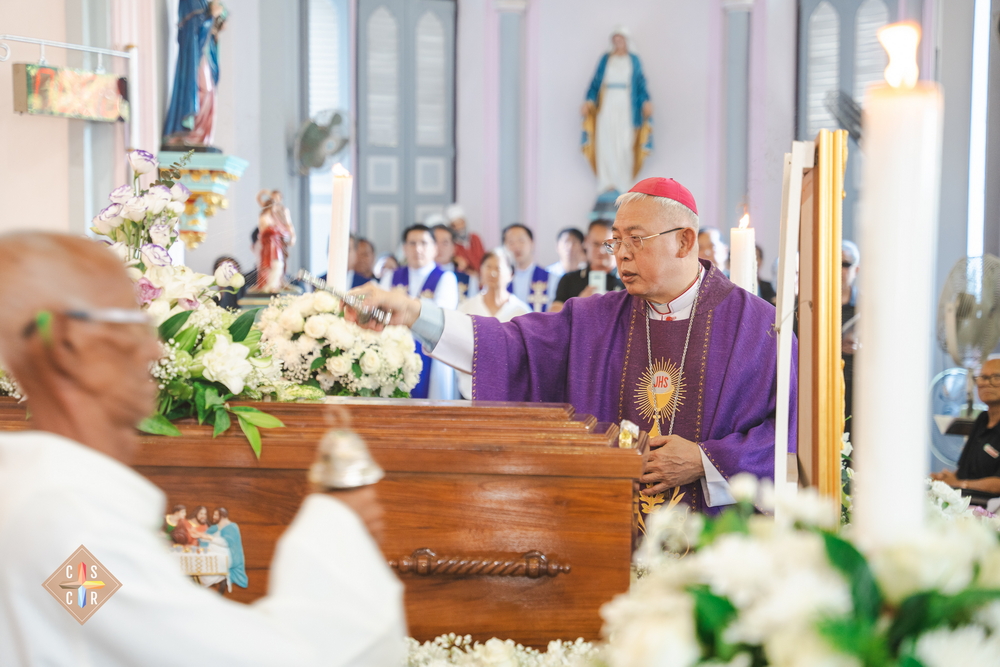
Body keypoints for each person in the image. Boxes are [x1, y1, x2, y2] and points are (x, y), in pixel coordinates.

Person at [0, 232, 406, 667]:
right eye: (131, 322)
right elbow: (238, 661)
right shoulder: (66, 527)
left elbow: (109, 629)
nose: (154, 348)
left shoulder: (39, 505)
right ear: (67, 343)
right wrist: (336, 530)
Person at [346, 178, 796, 528]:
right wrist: (413, 313)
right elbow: (506, 345)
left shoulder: (759, 328)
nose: (620, 255)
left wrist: (704, 460)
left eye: (635, 239)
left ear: (683, 241)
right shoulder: (592, 319)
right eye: (615, 241)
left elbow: (791, 430)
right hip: (607, 540)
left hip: (717, 553)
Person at [380, 225, 458, 399]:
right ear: (404, 248)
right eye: (412, 243)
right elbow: (381, 309)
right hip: (394, 350)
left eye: (424, 243)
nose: (418, 249)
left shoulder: (446, 278)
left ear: (434, 248)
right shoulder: (391, 276)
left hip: (431, 352)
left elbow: (442, 315)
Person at [581, 25, 653, 195]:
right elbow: (595, 82)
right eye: (615, 39)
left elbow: (640, 83)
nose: (618, 42)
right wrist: (589, 101)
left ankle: (623, 181)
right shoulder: (606, 59)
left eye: (621, 39)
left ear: (626, 41)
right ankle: (606, 182)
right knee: (605, 140)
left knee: (624, 142)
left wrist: (646, 101)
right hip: (607, 103)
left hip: (627, 105)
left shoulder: (633, 60)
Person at [456, 250, 531, 399]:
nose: (492, 273)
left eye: (498, 268)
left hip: (510, 391)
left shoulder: (521, 311)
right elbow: (457, 348)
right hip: (471, 389)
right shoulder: (466, 308)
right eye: (488, 267)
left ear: (511, 274)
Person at [931, 358, 1000, 498]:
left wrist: (960, 484)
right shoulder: (982, 420)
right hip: (968, 501)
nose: (986, 383)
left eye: (996, 377)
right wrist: (945, 479)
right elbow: (964, 471)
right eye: (982, 377)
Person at [163, 0, 228, 148]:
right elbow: (192, 28)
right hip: (195, 54)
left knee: (210, 92)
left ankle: (201, 136)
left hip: (206, 51)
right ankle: (191, 134)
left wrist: (218, 18)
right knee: (204, 90)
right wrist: (211, 16)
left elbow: (217, 18)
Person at [551, 220, 623, 313]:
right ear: (586, 242)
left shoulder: (627, 280)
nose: (601, 251)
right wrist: (579, 303)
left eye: (608, 245)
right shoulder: (569, 279)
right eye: (596, 244)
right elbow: (553, 314)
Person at [503, 223, 552, 313]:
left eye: (521, 241)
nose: (516, 246)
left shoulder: (551, 278)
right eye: (511, 242)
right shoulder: (500, 280)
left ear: (532, 243)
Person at [206, 507, 248, 589]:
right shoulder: (217, 527)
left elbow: (226, 542)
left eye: (216, 515)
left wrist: (209, 538)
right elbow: (206, 535)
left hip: (231, 558)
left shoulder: (232, 527)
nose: (213, 517)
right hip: (220, 556)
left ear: (221, 516)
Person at [432, 223, 475, 303]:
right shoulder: (417, 274)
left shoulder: (468, 280)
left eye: (445, 243)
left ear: (454, 248)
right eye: (435, 242)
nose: (439, 248)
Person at [842, 240, 860, 422]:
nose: (839, 270)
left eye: (845, 264)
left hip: (857, 387)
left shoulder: (865, 308)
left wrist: (861, 347)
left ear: (856, 269)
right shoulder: (813, 306)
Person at [446, 204, 485, 273]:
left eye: (461, 223)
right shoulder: (451, 245)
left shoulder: (475, 238)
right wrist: (454, 259)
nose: (459, 228)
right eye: (454, 225)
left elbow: (484, 260)